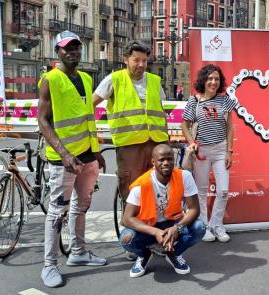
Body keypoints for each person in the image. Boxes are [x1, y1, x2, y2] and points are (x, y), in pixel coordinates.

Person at [37, 31, 107, 288]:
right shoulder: (50, 79)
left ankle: (77, 252)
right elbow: (43, 121)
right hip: (63, 160)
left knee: (82, 206)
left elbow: (87, 117)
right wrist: (65, 153)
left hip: (87, 156)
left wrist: (96, 150)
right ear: (57, 51)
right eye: (67, 48)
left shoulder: (87, 78)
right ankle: (49, 265)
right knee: (57, 212)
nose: (73, 52)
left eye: (76, 47)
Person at [92, 40, 168, 201]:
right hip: (129, 145)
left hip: (156, 144)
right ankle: (131, 225)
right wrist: (92, 138)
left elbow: (160, 111)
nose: (141, 65)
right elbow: (90, 105)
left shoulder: (154, 81)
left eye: (144, 61)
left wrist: (165, 142)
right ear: (125, 59)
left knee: (157, 189)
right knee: (132, 190)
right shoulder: (114, 79)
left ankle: (153, 224)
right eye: (136, 60)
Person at [119, 144, 205, 278]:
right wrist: (156, 232)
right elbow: (127, 219)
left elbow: (194, 209)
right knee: (126, 238)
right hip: (148, 227)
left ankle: (173, 254)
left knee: (199, 228)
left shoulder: (184, 176)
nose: (166, 163)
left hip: (172, 223)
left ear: (174, 160)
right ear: (153, 162)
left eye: (170, 159)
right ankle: (144, 255)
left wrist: (177, 228)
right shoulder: (141, 185)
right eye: (161, 160)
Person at [181, 64, 237, 242]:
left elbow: (229, 127)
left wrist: (229, 151)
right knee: (201, 191)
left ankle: (217, 224)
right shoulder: (194, 101)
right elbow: (185, 125)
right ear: (203, 80)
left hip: (221, 150)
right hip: (202, 152)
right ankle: (204, 225)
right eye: (210, 78)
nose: (213, 82)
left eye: (217, 79)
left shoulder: (225, 100)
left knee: (223, 190)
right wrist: (192, 144)